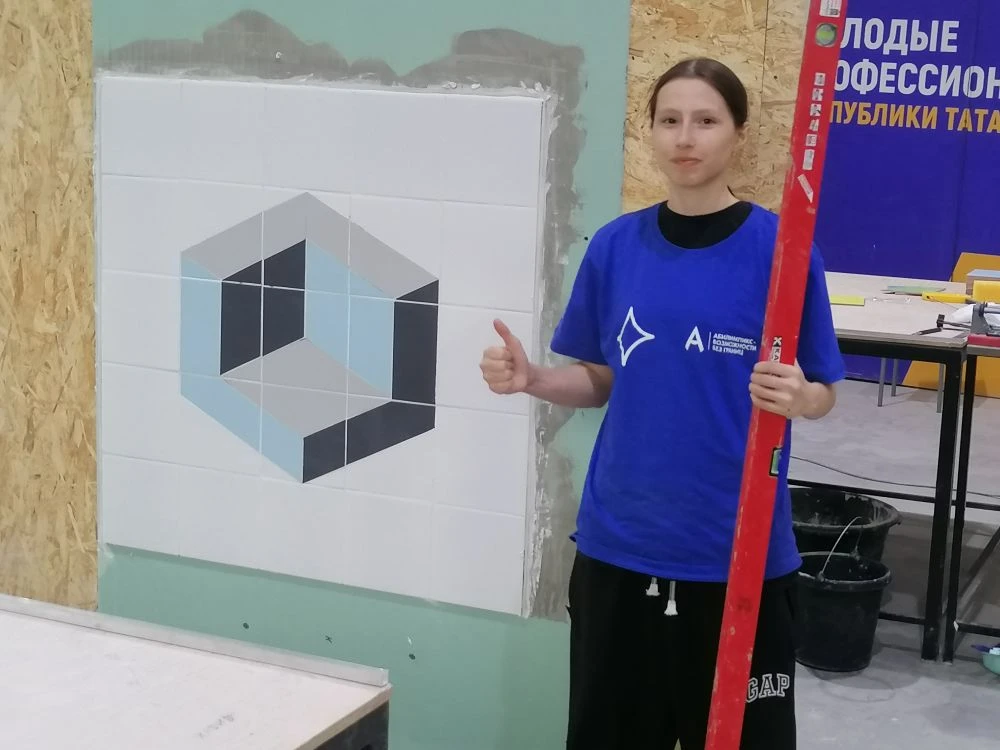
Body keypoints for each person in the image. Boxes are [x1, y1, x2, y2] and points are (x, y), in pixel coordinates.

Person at [479, 57, 845, 749]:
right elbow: (601, 379)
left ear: (738, 133)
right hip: (621, 547)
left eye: (706, 120)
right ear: (648, 131)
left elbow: (823, 390)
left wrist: (802, 397)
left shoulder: (784, 252)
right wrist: (533, 379)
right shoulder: (616, 247)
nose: (685, 137)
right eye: (669, 120)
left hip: (737, 556)